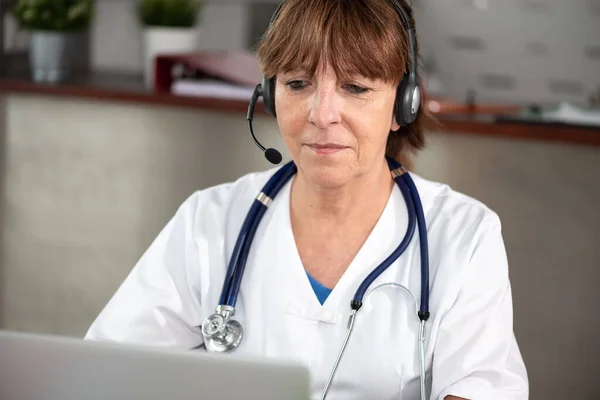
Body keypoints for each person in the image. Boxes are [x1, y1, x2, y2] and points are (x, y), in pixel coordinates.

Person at [85, 0, 529, 399]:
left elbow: (481, 387)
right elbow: (106, 372)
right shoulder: (209, 221)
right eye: (297, 83)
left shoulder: (464, 235)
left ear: (403, 105)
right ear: (269, 95)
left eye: (355, 88)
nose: (321, 114)